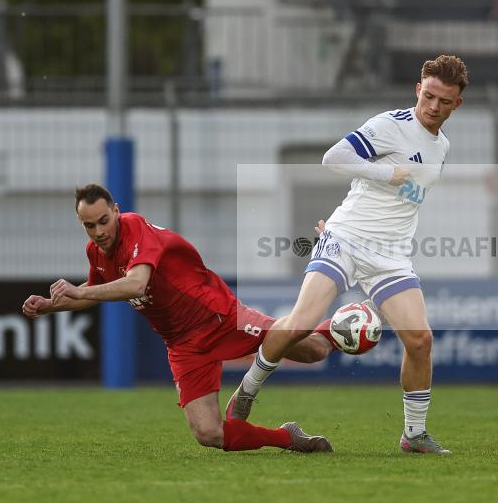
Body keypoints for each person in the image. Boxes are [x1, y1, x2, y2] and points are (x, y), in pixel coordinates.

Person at [227, 54, 468, 455]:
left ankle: (413, 435)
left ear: (457, 104)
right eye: (429, 96)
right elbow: (334, 158)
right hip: (346, 239)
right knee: (302, 321)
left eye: (444, 101)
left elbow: (407, 200)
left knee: (421, 340)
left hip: (390, 255)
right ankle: (246, 392)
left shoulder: (441, 146)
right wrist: (383, 174)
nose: (433, 106)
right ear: (417, 89)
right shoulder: (391, 125)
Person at [22, 184, 343, 454]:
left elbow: (136, 284)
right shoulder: (96, 251)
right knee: (208, 434)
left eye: (103, 221)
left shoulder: (136, 229)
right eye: (89, 226)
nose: (99, 231)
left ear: (116, 210)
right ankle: (288, 437)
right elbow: (94, 290)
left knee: (312, 350)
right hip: (182, 344)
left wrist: (79, 294)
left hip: (217, 316)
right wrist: (52, 305)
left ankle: (342, 327)